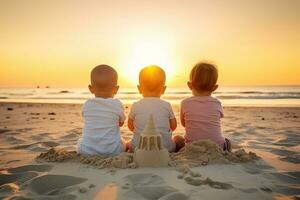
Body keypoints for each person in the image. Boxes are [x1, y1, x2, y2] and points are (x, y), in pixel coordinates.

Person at [127, 65, 184, 152]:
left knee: (127, 143)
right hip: (165, 149)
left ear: (139, 88)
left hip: (138, 148)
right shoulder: (166, 105)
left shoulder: (136, 105)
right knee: (178, 138)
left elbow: (130, 127)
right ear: (164, 89)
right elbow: (173, 126)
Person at [180, 62, 231, 151]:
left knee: (178, 139)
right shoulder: (217, 103)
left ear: (189, 85)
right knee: (227, 141)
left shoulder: (185, 103)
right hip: (217, 147)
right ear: (215, 87)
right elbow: (216, 120)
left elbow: (184, 124)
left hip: (192, 147)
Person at [77, 64, 126, 155]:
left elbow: (86, 119)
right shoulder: (117, 104)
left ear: (90, 89)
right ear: (116, 89)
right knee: (123, 142)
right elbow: (121, 123)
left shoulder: (87, 104)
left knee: (80, 141)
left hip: (87, 151)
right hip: (113, 151)